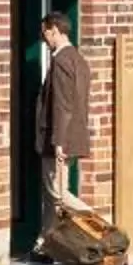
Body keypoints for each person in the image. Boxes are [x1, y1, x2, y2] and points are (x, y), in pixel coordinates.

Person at [36, 13, 94, 225]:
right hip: (73, 134)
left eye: (45, 33)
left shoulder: (61, 60)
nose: (44, 39)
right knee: (54, 198)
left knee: (59, 195)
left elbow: (63, 104)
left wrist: (59, 141)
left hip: (59, 139)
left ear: (54, 30)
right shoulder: (78, 59)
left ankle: (106, 234)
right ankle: (45, 246)